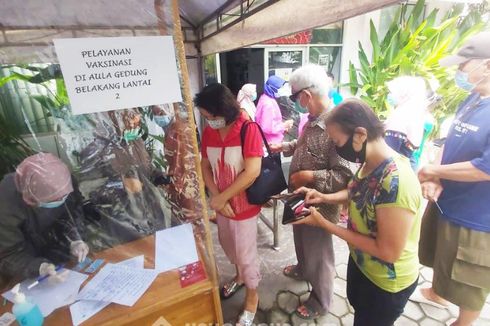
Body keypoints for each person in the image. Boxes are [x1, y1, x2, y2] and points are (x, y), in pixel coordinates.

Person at [295, 99, 423, 325]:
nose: (336, 148)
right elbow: (358, 191)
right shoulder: (369, 162)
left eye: (336, 141)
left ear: (360, 134)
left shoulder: (397, 180)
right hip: (363, 264)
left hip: (386, 282)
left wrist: (325, 224)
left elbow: (388, 252)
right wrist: (324, 197)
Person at [415, 32, 490, 326]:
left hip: (477, 215)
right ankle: (438, 292)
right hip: (449, 198)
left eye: (464, 64)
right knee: (442, 254)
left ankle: (464, 322)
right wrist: (437, 173)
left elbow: (485, 168)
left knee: (469, 273)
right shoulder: (473, 98)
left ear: (487, 65)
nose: (458, 70)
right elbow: (450, 140)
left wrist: (435, 172)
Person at [270, 65, 352, 319]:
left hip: (320, 202)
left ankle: (320, 299)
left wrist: (309, 176)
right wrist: (285, 146)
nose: (296, 103)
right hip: (299, 196)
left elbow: (343, 175)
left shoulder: (335, 125)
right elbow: (305, 145)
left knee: (319, 251)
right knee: (301, 239)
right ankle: (303, 268)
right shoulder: (311, 119)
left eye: (295, 98)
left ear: (306, 94)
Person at [196, 83, 263, 326]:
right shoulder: (210, 131)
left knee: (246, 254)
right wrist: (216, 196)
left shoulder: (248, 128)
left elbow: (252, 171)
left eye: (210, 116)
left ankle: (252, 298)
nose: (208, 121)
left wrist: (223, 198)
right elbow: (204, 164)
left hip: (243, 207)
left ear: (224, 110)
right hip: (221, 205)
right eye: (204, 117)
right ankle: (239, 277)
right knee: (229, 245)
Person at [0, 153, 88, 285]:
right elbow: (8, 254)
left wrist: (75, 239)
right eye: (52, 200)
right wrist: (39, 268)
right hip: (25, 266)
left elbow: (73, 213)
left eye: (63, 196)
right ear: (30, 198)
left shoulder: (63, 180)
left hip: (61, 259)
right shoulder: (6, 203)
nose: (60, 200)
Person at [384, 76, 429, 170]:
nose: (389, 95)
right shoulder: (414, 114)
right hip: (407, 167)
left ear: (404, 94)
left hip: (395, 171)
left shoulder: (400, 117)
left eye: (393, 92)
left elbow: (386, 155)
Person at [255, 75, 293, 144]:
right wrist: (284, 125)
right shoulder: (268, 104)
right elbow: (267, 128)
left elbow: (271, 122)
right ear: (273, 88)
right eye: (280, 87)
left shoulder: (266, 98)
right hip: (271, 143)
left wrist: (282, 128)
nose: (282, 89)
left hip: (270, 140)